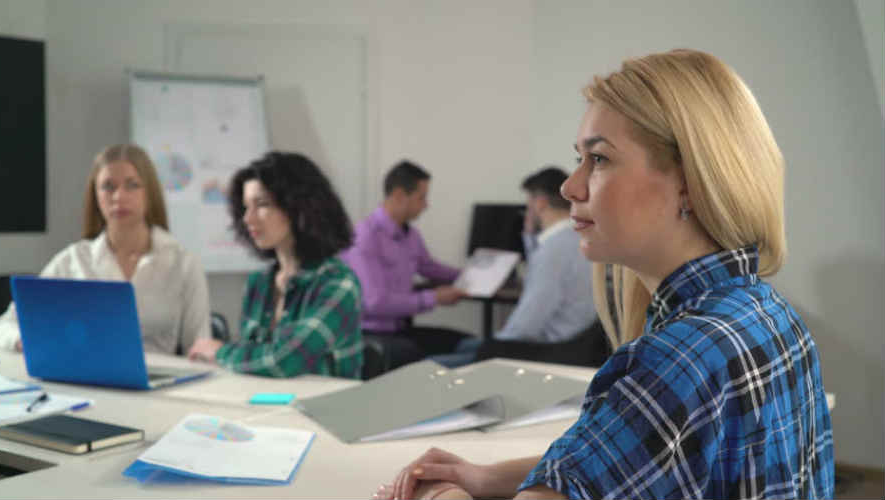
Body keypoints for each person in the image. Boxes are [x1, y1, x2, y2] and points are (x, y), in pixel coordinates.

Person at [375, 49, 834, 500]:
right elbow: (627, 459)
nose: (570, 187)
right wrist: (484, 477)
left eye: (599, 159)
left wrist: (437, 493)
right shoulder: (768, 313)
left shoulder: (675, 359)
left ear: (689, 184)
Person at [0, 144, 211, 355]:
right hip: (88, 381)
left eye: (132, 185)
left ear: (149, 192)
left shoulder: (183, 263)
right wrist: (25, 340)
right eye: (108, 186)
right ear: (95, 195)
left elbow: (201, 347)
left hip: (160, 385)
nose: (118, 197)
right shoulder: (73, 260)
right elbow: (4, 325)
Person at [188, 152, 363, 379]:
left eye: (262, 204)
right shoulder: (257, 283)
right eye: (245, 207)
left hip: (325, 412)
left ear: (299, 207)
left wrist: (220, 351)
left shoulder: (339, 283)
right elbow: (250, 365)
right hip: (265, 408)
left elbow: (283, 361)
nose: (248, 219)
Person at [431, 167, 603, 368]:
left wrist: (493, 345)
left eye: (528, 205)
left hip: (545, 350)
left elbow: (526, 324)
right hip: (573, 345)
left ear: (540, 204)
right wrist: (529, 235)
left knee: (432, 363)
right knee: (465, 345)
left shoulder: (552, 252)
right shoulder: (577, 239)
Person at [341, 160, 470, 369]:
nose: (426, 205)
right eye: (422, 198)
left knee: (474, 345)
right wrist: (434, 298)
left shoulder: (410, 235)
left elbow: (429, 268)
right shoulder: (365, 237)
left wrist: (472, 275)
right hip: (371, 334)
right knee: (460, 362)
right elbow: (375, 302)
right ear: (400, 195)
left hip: (401, 330)